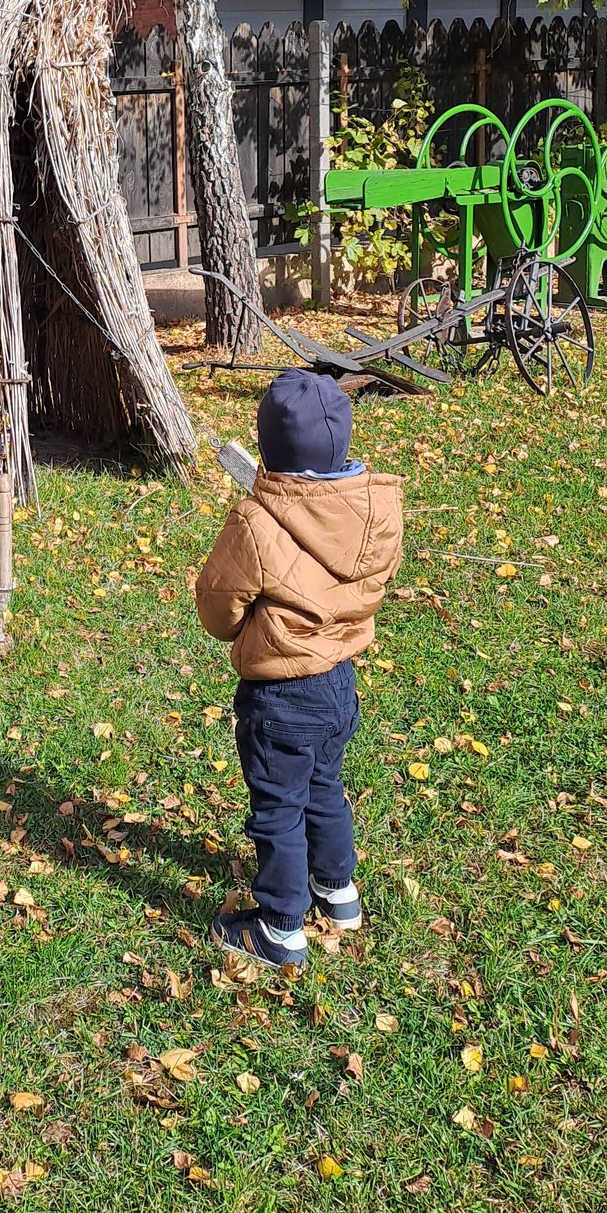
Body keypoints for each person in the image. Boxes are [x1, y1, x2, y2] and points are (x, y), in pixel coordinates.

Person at [194, 369, 402, 974]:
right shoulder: (375, 508)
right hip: (339, 682)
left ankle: (280, 928)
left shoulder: (255, 521)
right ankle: (338, 892)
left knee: (278, 808)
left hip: (281, 694)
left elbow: (218, 609)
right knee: (324, 785)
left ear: (268, 450)